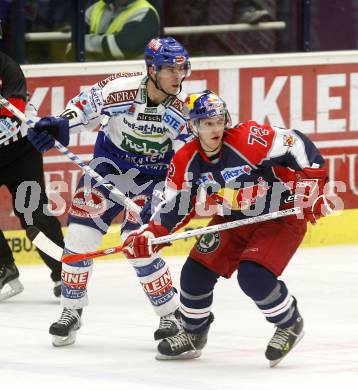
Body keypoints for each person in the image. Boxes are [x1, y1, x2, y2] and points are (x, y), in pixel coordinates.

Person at [123, 90, 333, 367]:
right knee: (195, 272)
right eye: (208, 123)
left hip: (280, 216)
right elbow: (174, 205)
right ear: (193, 126)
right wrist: (152, 233)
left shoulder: (249, 139)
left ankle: (289, 323)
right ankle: (194, 333)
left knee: (253, 275)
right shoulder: (186, 160)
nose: (216, 129)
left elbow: (295, 143)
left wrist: (312, 185)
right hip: (233, 219)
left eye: (220, 121)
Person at [27, 36, 191, 347]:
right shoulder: (121, 89)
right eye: (170, 70)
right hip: (107, 172)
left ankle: (170, 314)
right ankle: (71, 311)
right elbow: (83, 107)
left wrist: (168, 203)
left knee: (138, 244)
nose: (177, 77)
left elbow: (186, 162)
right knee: (79, 239)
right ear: (151, 69)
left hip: (152, 180)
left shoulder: (183, 110)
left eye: (182, 70)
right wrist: (59, 125)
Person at [0, 50, 63, 300]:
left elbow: (10, 121)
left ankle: (64, 274)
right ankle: (4, 269)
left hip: (19, 153)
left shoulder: (8, 69)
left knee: (34, 215)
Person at [69, 0, 160, 61]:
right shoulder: (96, 8)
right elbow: (72, 48)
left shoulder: (145, 12)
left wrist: (85, 44)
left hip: (131, 81)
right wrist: (106, 42)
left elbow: (121, 48)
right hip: (93, 76)